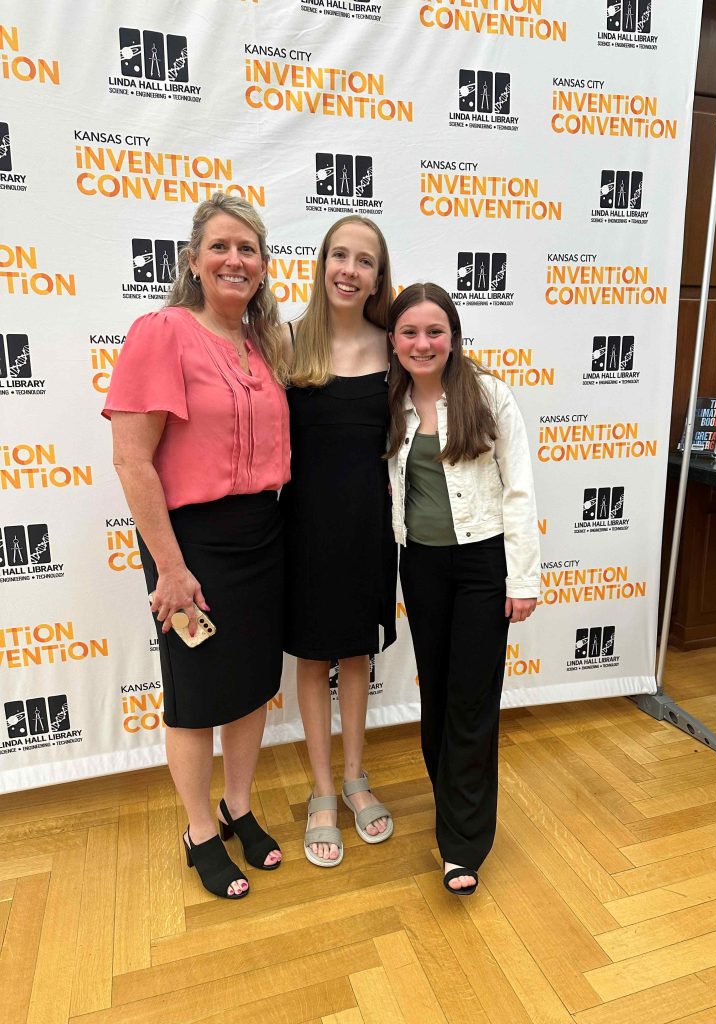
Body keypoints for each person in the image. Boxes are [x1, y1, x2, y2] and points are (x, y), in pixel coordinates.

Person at [103, 193, 289, 899]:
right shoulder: (163, 332)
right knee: (195, 695)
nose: (234, 259)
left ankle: (237, 807)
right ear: (192, 259)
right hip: (191, 549)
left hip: (263, 537)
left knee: (250, 687)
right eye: (220, 246)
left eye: (247, 249)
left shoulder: (263, 343)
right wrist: (171, 567)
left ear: (263, 265)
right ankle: (200, 832)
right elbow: (132, 460)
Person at [386, 282, 540, 895]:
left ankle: (462, 845)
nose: (422, 343)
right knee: (439, 695)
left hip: (483, 565)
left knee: (472, 700)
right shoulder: (389, 399)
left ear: (453, 336)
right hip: (420, 567)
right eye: (410, 332)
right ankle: (452, 802)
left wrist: (522, 578)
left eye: (435, 331)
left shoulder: (489, 394)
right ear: (394, 339)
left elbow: (519, 489)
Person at [281, 215, 398, 867]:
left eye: (364, 261)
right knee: (311, 656)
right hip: (302, 529)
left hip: (370, 528)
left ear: (379, 278)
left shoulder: (395, 349)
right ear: (323, 263)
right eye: (340, 255)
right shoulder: (286, 343)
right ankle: (321, 790)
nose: (349, 270)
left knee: (357, 652)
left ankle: (355, 778)